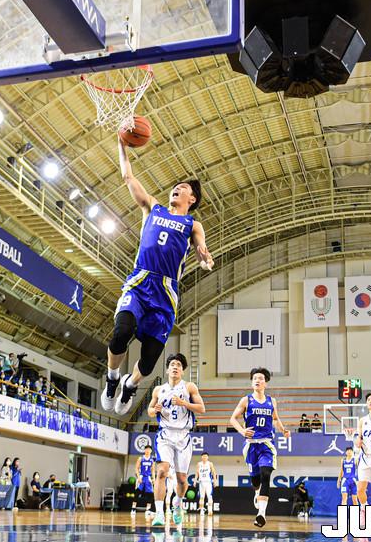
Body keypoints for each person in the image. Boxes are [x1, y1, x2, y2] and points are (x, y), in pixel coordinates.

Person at [101, 137, 214, 416]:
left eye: (183, 188)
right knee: (121, 332)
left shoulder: (192, 224)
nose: (177, 188)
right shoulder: (153, 207)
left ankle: (130, 385)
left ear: (192, 199)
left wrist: (204, 258)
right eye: (176, 186)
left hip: (165, 291)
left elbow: (201, 247)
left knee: (150, 360)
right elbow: (128, 177)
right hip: (141, 281)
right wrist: (122, 145)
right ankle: (113, 378)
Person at [146, 353, 206, 526]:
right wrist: (155, 410)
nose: (175, 367)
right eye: (172, 364)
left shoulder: (189, 387)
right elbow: (150, 411)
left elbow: (201, 408)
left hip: (183, 436)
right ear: (167, 369)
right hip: (165, 435)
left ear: (182, 371)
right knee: (162, 471)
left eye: (179, 365)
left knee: (182, 479)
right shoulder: (159, 390)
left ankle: (178, 504)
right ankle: (159, 513)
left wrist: (183, 403)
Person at [229, 367, 291, 528]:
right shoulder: (246, 400)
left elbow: (275, 419)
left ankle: (261, 514)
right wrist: (242, 431)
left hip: (266, 444)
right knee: (256, 480)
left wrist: (283, 430)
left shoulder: (272, 401)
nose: (257, 380)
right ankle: (257, 492)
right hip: (251, 445)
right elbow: (233, 419)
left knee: (266, 475)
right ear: (252, 382)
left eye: (261, 378)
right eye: (255, 378)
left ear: (266, 383)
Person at [131, 445, 155, 517]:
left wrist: (153, 478)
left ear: (151, 451)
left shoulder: (152, 460)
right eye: (146, 449)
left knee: (150, 494)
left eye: (149, 449)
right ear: (144, 450)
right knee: (137, 492)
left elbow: (153, 470)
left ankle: (148, 509)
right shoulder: (141, 458)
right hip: (141, 476)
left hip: (148, 478)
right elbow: (136, 468)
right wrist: (138, 477)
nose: (147, 450)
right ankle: (133, 508)